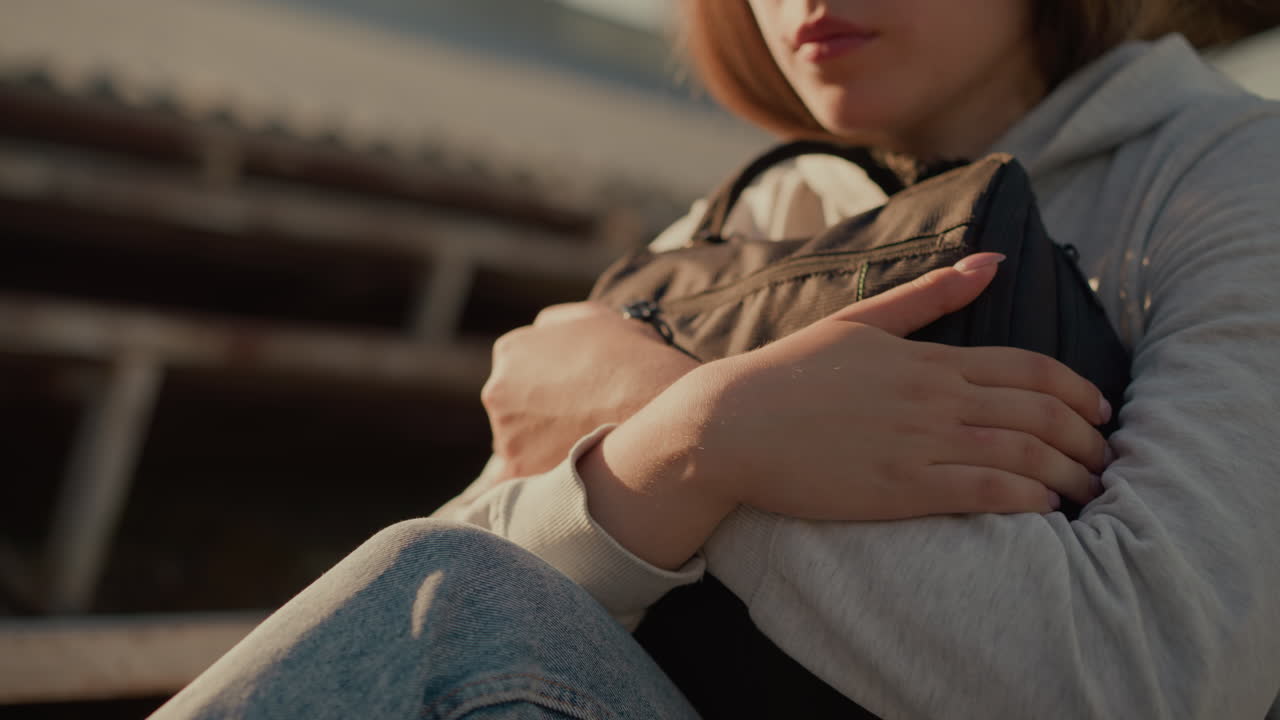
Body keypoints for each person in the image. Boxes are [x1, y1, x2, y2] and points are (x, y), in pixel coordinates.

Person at [152, 1, 1280, 718]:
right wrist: (695, 442)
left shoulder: (1232, 177)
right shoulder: (739, 219)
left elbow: (1145, 678)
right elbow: (456, 558)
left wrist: (671, 415)